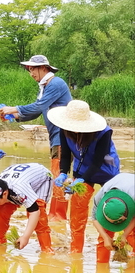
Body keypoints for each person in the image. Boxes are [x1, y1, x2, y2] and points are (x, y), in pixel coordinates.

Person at [0, 55, 72, 221]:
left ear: (44, 68)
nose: (31, 73)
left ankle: (58, 217)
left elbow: (39, 106)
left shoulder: (56, 83)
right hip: (56, 137)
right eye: (29, 69)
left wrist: (13, 108)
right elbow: (36, 111)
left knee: (59, 174)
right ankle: (56, 215)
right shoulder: (45, 87)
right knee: (57, 174)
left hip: (63, 137)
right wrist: (15, 116)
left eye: (33, 68)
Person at [48, 100, 120, 254]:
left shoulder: (103, 133)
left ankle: (105, 246)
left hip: (107, 170)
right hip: (83, 168)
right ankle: (76, 251)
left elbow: (98, 161)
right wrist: (63, 172)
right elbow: (66, 155)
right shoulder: (64, 129)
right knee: (77, 210)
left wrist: (83, 178)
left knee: (110, 208)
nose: (74, 130)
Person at [0, 162, 54, 253]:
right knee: (1, 211)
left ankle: (47, 249)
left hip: (42, 178)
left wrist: (25, 237)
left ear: (5, 194)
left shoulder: (19, 189)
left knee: (39, 216)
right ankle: (0, 241)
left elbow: (34, 212)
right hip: (19, 182)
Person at [91, 173, 135, 263]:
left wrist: (124, 235)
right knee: (104, 238)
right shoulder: (100, 197)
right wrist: (105, 237)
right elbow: (94, 218)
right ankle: (102, 268)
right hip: (120, 183)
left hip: (130, 189)